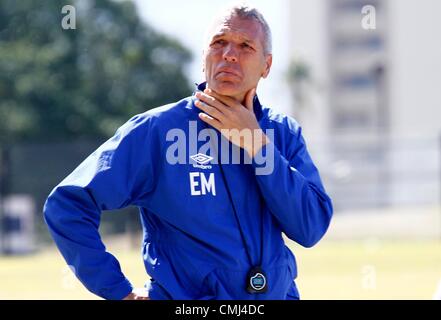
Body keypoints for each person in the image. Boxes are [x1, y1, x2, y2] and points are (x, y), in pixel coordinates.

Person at [44, 5, 333, 300]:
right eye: (219, 43)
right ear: (204, 57)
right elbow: (67, 205)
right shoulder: (158, 130)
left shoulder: (282, 133)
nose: (230, 54)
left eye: (246, 46)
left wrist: (258, 146)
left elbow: (310, 228)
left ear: (266, 65)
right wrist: (119, 291)